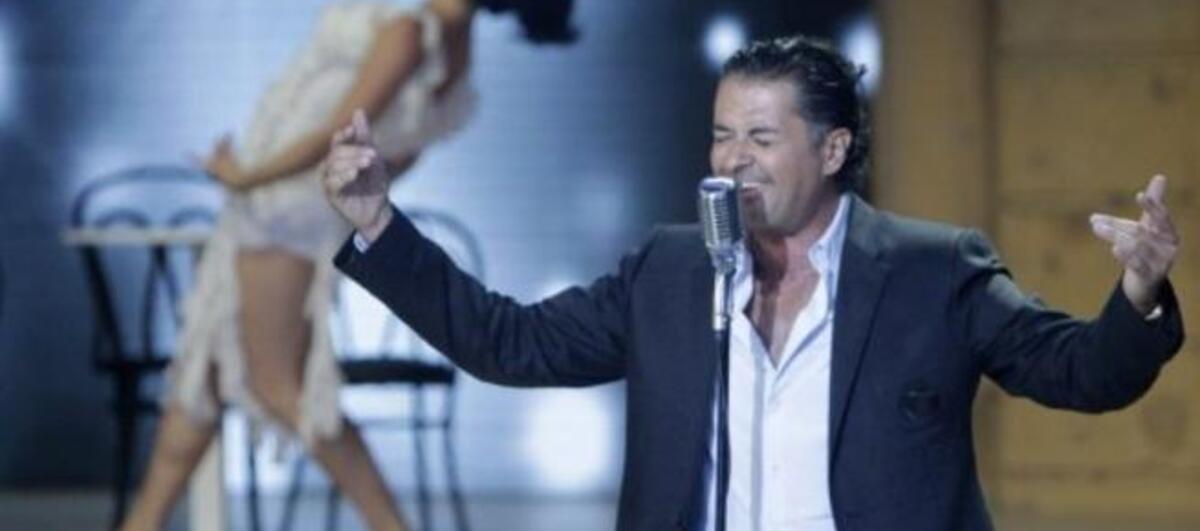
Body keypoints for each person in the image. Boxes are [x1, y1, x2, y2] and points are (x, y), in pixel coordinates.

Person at [322, 36, 1183, 530]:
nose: (734, 158)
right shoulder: (672, 270)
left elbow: (1081, 372)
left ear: (834, 149)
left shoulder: (931, 272)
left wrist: (1137, 291)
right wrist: (376, 226)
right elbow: (507, 341)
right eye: (722, 133)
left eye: (762, 138)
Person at [118, 0, 576, 531]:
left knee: (281, 385)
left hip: (280, 213)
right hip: (296, 214)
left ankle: (391, 525)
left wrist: (242, 175)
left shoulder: (412, 32)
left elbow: (340, 129)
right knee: (200, 391)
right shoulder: (456, 61)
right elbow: (398, 157)